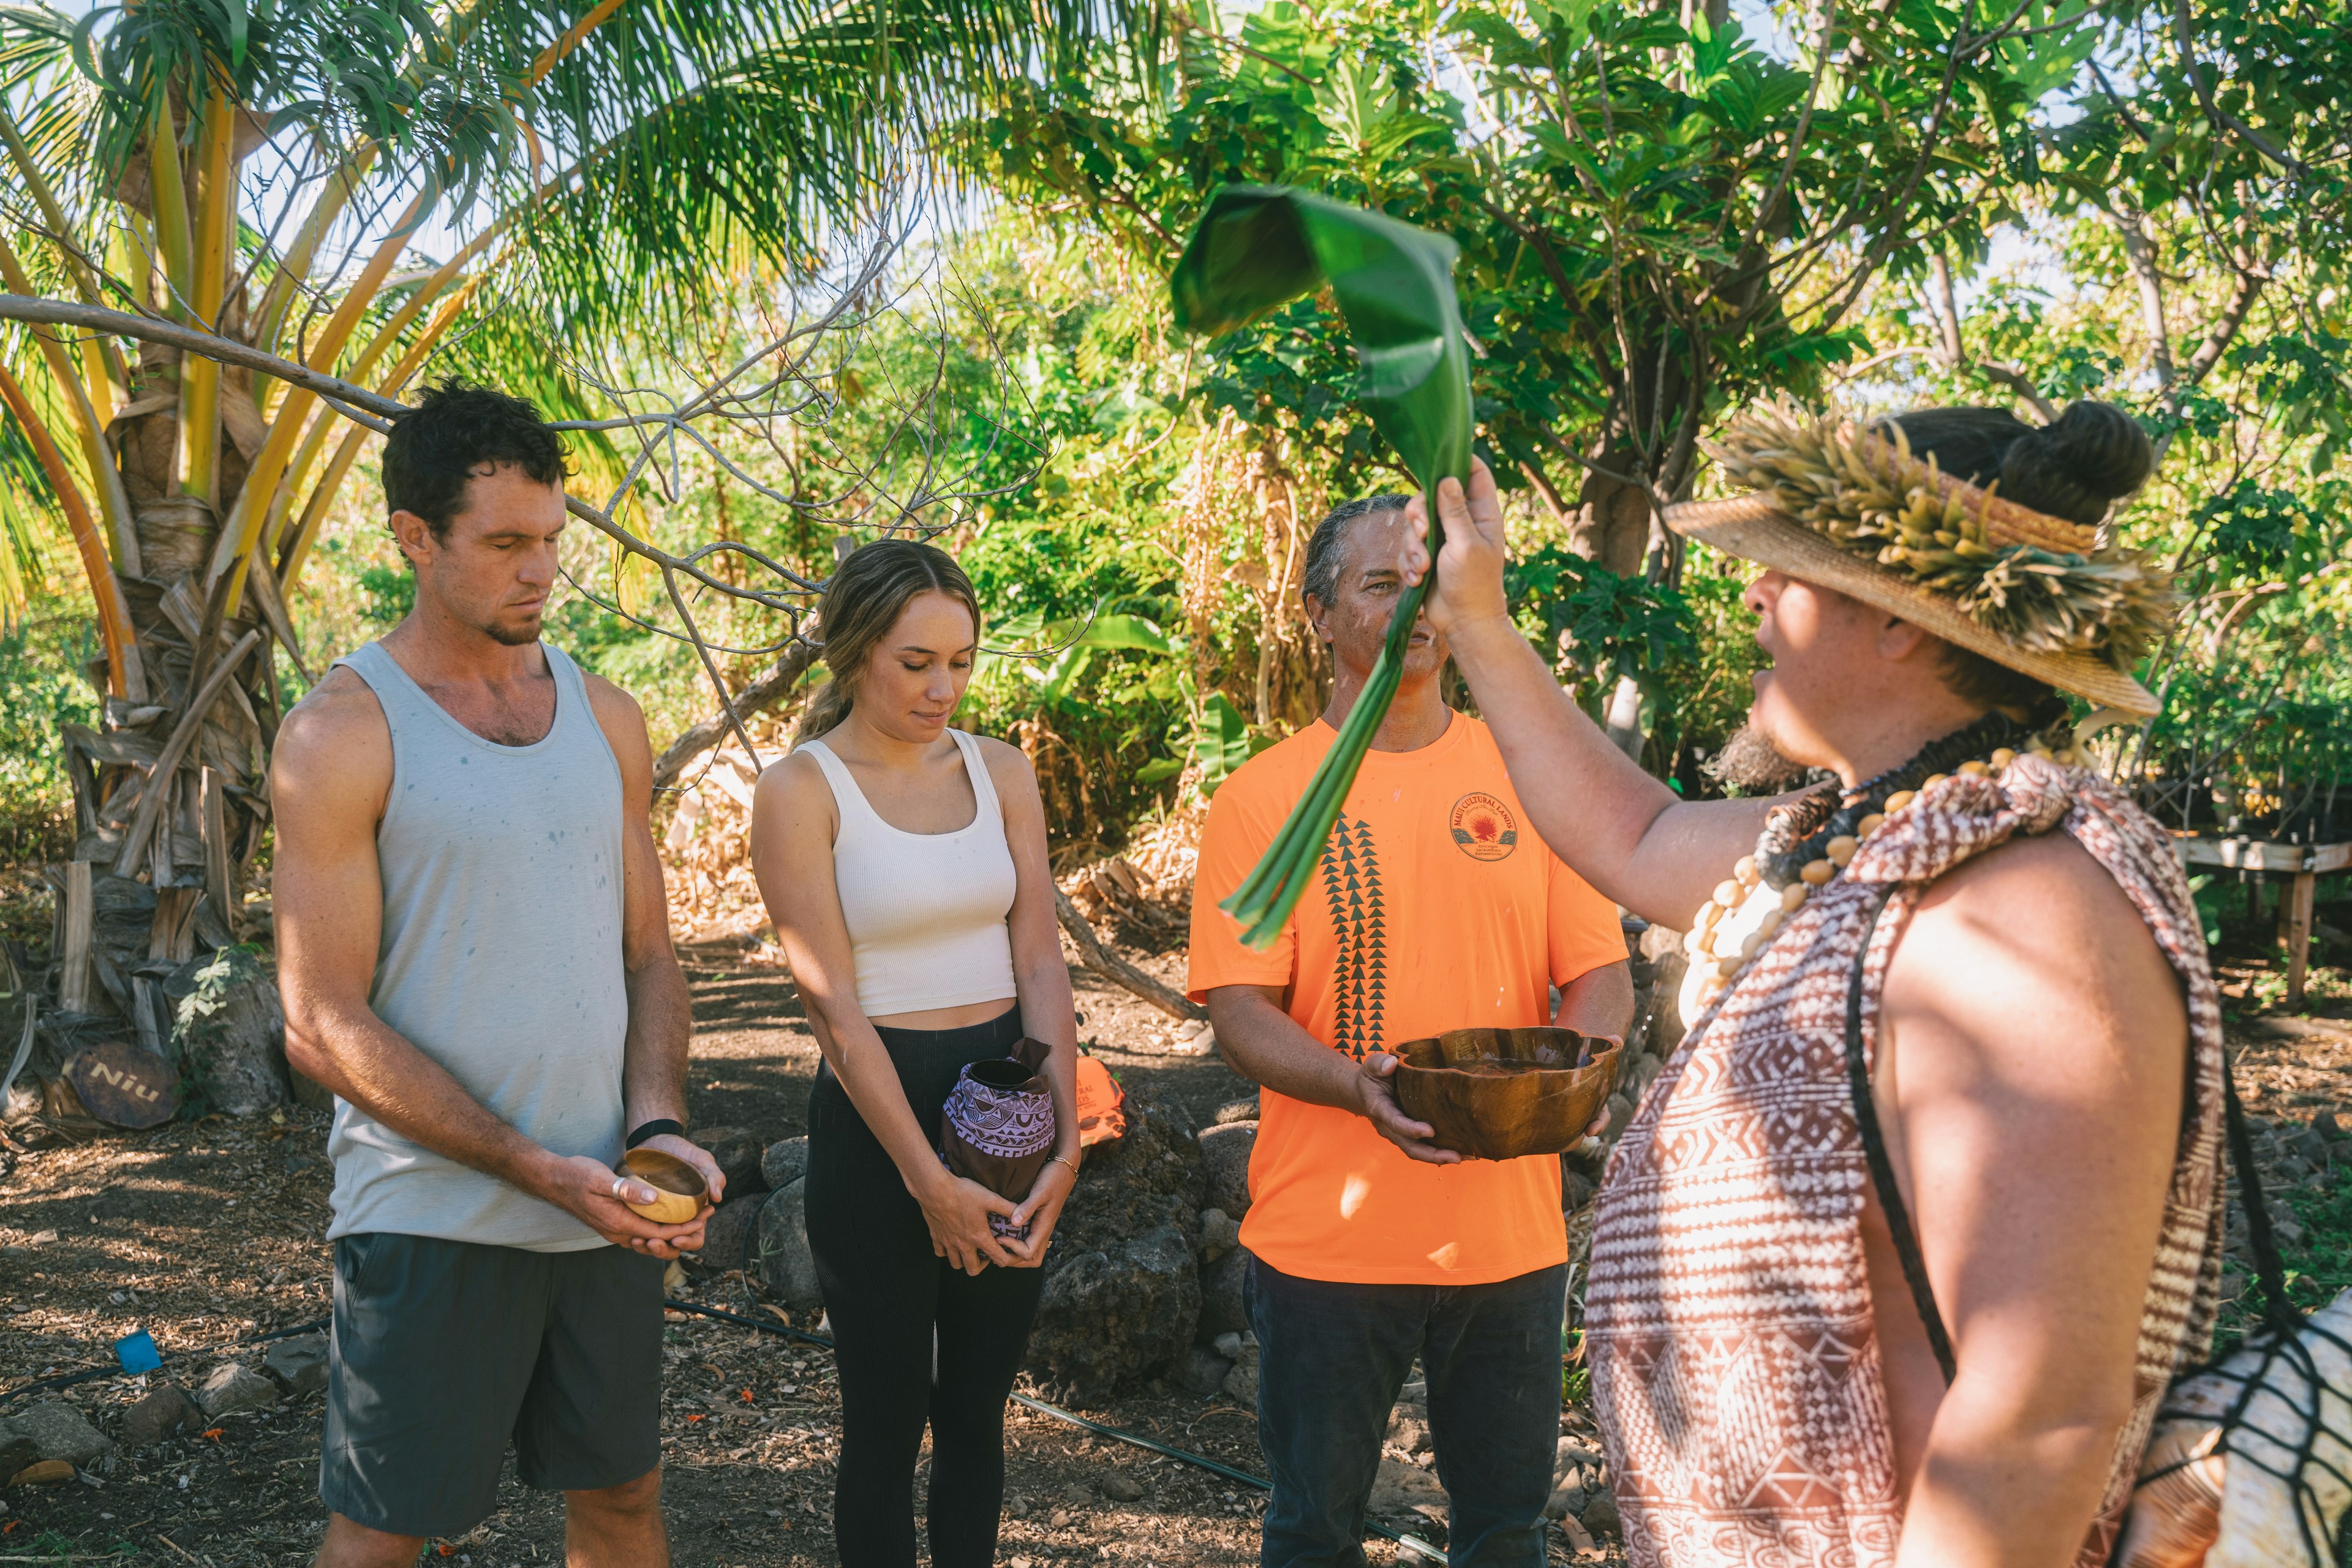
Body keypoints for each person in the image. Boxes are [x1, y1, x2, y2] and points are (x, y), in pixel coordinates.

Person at [1397, 401, 2225, 1568]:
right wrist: (1479, 620)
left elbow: (2041, 1414)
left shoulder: (2028, 901)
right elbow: (1636, 832)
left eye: (1784, 573)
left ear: (1895, 620)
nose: (1749, 598)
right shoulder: (1874, 834)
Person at [273, 382, 718, 1568]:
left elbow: (648, 953)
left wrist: (659, 1125)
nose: (540, 570)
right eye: (505, 543)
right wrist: (533, 1167)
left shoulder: (605, 716)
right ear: (414, 539)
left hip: (606, 1205)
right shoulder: (342, 732)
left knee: (622, 1503)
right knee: (381, 1535)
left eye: (552, 541)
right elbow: (319, 1020)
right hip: (431, 1211)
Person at [1188, 496, 1637, 1568]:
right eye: (1380, 585)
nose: (1412, 610)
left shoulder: (1527, 773)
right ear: (1318, 614)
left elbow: (1599, 972)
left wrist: (1579, 1075)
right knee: (1312, 1531)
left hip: (1510, 1236)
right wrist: (1356, 1088)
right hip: (1328, 1246)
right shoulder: (1263, 801)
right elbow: (1239, 1011)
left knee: (1506, 1532)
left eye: (1425, 584)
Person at [748, 539, 1080, 1568]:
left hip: (1007, 1105)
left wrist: (1064, 1147)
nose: (944, 688)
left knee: (977, 1414)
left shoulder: (1003, 771)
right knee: (886, 1426)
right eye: (916, 662)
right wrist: (926, 1178)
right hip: (876, 1118)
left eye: (963, 661)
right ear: (854, 653)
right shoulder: (801, 791)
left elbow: (1039, 960)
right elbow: (834, 1009)